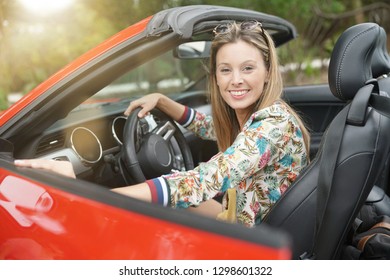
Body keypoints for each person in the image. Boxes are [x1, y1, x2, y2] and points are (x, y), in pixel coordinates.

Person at [15, 20, 310, 227]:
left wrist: (93, 194)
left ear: (268, 72)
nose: (235, 80)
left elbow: (204, 180)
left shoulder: (271, 125)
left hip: (261, 236)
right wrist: (163, 101)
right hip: (245, 214)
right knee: (169, 204)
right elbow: (211, 128)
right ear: (215, 76)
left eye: (248, 68)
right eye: (225, 70)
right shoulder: (256, 116)